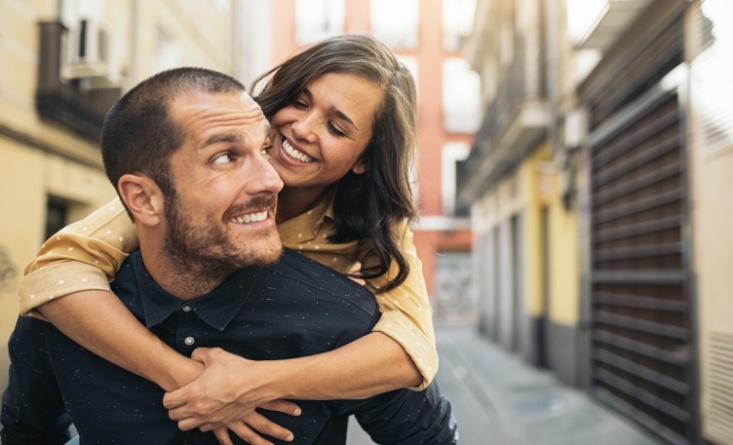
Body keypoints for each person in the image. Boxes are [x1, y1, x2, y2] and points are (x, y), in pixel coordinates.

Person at [1, 67, 458, 445]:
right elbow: (54, 274)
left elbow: (412, 353)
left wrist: (255, 382)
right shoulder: (71, 312)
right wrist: (187, 379)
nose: (299, 131)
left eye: (337, 128)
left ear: (364, 159)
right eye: (226, 157)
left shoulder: (346, 308)